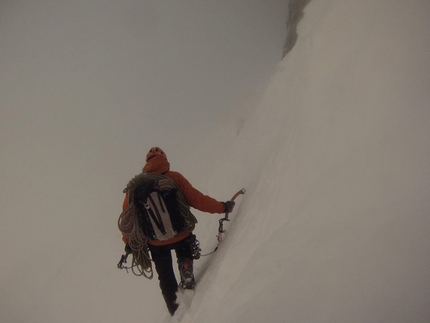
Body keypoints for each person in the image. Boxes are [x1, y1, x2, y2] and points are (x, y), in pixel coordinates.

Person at [121, 147, 235, 315]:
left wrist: (129, 243)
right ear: (164, 159)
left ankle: (175, 310)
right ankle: (186, 265)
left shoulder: (134, 186)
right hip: (180, 233)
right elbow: (197, 200)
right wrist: (223, 207)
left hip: (155, 242)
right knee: (183, 246)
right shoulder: (174, 177)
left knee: (165, 276)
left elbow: (128, 219)